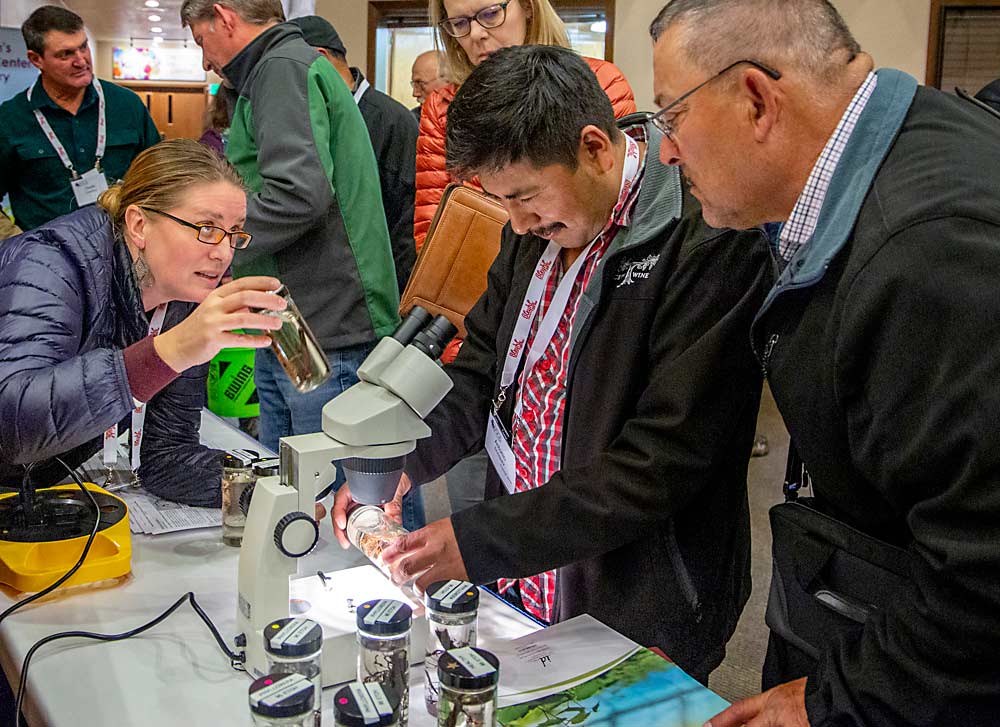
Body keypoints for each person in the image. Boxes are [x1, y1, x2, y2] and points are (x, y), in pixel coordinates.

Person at [333, 45, 773, 684]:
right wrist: (405, 462)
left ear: (595, 147)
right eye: (501, 200)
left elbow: (659, 464)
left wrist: (478, 540)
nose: (515, 220)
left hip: (637, 590)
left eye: (525, 196)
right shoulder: (534, 229)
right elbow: (482, 371)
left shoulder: (705, 239)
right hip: (527, 569)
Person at [649, 1, 1000, 725]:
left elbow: (984, 577)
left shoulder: (928, 253)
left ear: (755, 99)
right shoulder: (901, 146)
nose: (666, 153)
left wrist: (830, 700)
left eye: (671, 116)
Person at [0, 138, 284, 504]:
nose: (223, 252)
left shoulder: (183, 293)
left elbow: (167, 455)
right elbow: (11, 426)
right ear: (138, 225)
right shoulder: (52, 263)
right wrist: (167, 353)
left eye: (234, 234)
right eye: (207, 229)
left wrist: (267, 493)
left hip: (39, 487)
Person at [180, 1, 400, 461]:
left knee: (334, 494)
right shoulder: (271, 70)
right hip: (296, 313)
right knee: (289, 483)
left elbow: (299, 194)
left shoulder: (281, 66)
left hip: (327, 321)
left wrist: (216, 241)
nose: (204, 58)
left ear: (224, 16)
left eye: (201, 40)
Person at [414, 0, 637, 250]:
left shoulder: (600, 82)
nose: (476, 34)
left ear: (528, 6)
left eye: (490, 14)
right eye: (459, 23)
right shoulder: (442, 106)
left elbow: (610, 202)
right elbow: (433, 233)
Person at [0, 6, 160, 231]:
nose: (81, 61)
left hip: (121, 248)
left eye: (83, 47)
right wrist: (15, 243)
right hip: (46, 257)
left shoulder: (126, 105)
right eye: (65, 54)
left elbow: (158, 174)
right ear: (36, 59)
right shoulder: (10, 119)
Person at [291, 15, 419, 296]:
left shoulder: (392, 119)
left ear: (319, 57)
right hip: (324, 288)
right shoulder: (311, 117)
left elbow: (405, 222)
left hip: (376, 291)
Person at [410, 49, 447, 121]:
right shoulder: (412, 121)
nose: (415, 93)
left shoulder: (471, 120)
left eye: (420, 83)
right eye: (414, 84)